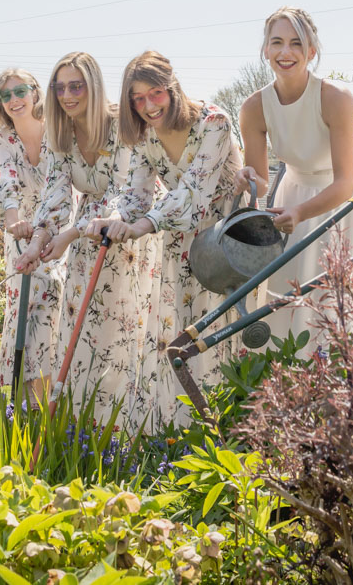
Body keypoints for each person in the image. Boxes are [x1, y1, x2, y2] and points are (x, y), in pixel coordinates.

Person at [88, 51, 242, 428]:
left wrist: (144, 225)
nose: (147, 106)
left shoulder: (214, 122)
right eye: (137, 99)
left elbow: (193, 193)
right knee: (179, 334)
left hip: (226, 240)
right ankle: (180, 432)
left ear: (172, 86)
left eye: (154, 93)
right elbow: (138, 194)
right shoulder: (145, 138)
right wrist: (117, 218)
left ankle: (226, 431)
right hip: (178, 244)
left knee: (217, 335)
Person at [18, 52, 160, 425]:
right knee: (79, 330)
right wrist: (38, 240)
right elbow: (55, 193)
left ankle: (121, 429)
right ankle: (81, 427)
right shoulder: (59, 132)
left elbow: (124, 192)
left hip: (125, 234)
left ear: (93, 86)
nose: (67, 94)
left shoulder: (120, 125)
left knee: (118, 331)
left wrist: (70, 234)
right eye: (60, 86)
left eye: (76, 85)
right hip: (84, 240)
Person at [237, 6, 353, 355]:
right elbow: (258, 185)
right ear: (266, 49)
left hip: (342, 204)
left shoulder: (336, 98)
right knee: (290, 303)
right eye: (277, 43)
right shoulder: (254, 107)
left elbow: (346, 181)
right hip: (291, 200)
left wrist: (301, 212)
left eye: (296, 44)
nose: (285, 53)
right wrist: (246, 179)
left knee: (338, 304)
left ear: (311, 52)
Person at [0, 69, 64, 398]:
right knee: (25, 311)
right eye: (5, 96)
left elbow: (62, 183)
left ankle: (49, 399)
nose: (14, 100)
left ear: (35, 92)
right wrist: (14, 220)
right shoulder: (3, 137)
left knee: (50, 298)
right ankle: (28, 401)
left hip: (57, 228)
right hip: (20, 232)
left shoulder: (57, 131)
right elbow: (8, 181)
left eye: (20, 91)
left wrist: (42, 230)